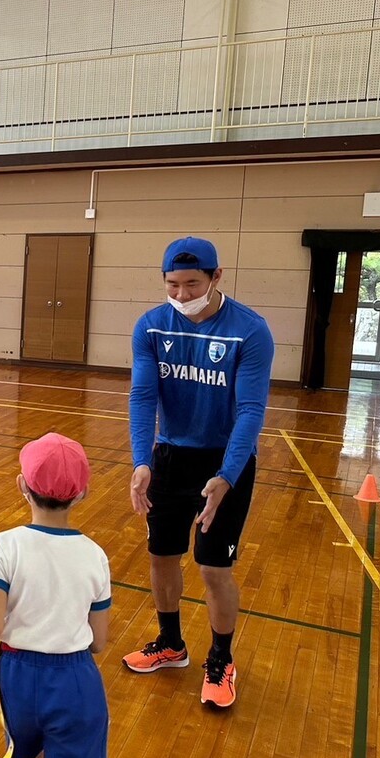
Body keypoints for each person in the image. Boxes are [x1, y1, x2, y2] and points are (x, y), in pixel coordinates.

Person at [124, 236, 274, 709]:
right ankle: (171, 644)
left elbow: (251, 409)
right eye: (173, 285)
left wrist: (227, 474)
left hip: (225, 462)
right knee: (162, 556)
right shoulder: (150, 327)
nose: (182, 295)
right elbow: (142, 396)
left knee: (213, 567)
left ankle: (221, 659)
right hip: (170, 458)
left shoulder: (250, 331)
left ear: (217, 277)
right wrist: (142, 461)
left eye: (192, 284)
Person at [0, 433, 111, 758]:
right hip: (74, 683)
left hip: (17, 680)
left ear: (21, 487)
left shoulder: (3, 546)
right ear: (81, 494)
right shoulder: (95, 555)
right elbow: (99, 641)